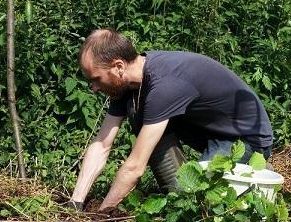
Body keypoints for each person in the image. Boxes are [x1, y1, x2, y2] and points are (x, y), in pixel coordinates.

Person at [70, 29, 273, 211]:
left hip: (247, 140)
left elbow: (135, 166)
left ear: (118, 66)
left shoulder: (163, 85)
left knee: (198, 203)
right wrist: (76, 202)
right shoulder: (127, 86)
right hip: (213, 133)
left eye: (96, 79)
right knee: (139, 112)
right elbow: (102, 144)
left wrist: (104, 213)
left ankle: (252, 173)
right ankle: (180, 192)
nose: (94, 88)